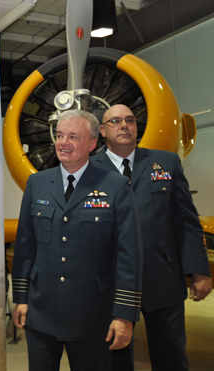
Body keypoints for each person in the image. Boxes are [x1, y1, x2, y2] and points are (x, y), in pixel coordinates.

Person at [11, 109, 143, 371]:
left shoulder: (115, 186)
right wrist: (21, 297)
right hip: (41, 312)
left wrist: (124, 315)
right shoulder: (37, 183)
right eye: (60, 135)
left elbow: (130, 255)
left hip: (92, 317)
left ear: (92, 144)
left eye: (73, 136)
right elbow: (25, 246)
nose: (63, 142)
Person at [91, 104, 212, 371]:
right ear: (102, 130)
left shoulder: (166, 162)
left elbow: (186, 221)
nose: (124, 125)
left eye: (130, 120)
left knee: (171, 357)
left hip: (163, 278)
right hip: (111, 283)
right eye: (115, 121)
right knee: (114, 359)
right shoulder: (88, 170)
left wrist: (200, 270)